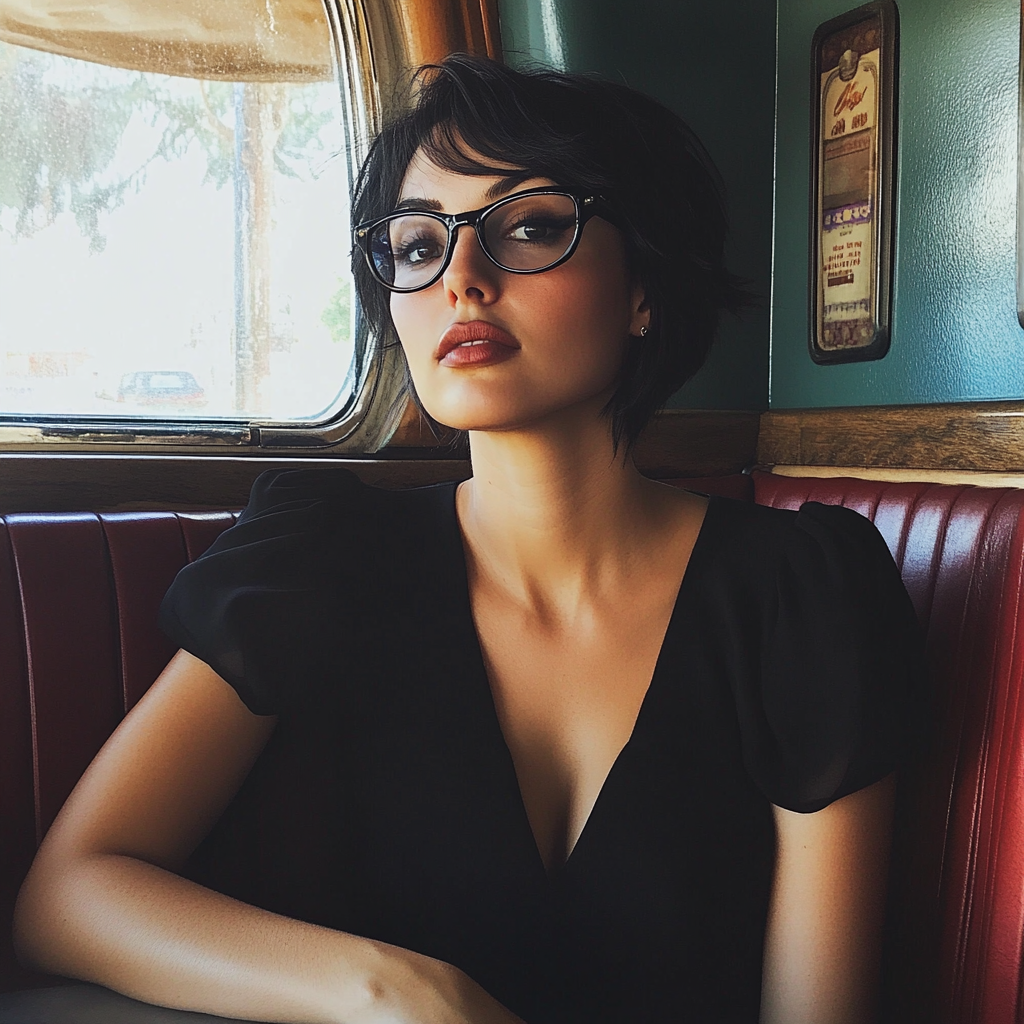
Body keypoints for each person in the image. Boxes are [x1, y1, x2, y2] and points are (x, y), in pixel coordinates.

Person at [12, 54, 921, 1024]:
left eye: (530, 227)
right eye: (416, 245)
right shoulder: (324, 557)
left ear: (644, 288)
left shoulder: (804, 593)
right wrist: (400, 994)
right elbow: (69, 895)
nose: (462, 278)